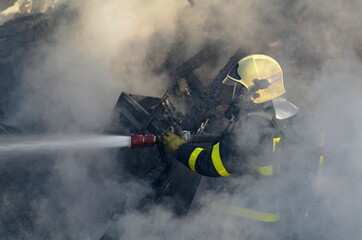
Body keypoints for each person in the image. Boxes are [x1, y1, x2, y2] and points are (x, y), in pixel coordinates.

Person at [158, 54, 299, 223]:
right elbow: (237, 146)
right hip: (281, 210)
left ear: (257, 90)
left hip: (249, 218)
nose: (236, 95)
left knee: (206, 206)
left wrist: (178, 148)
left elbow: (211, 164)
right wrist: (195, 139)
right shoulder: (288, 114)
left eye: (241, 89)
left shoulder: (253, 125)